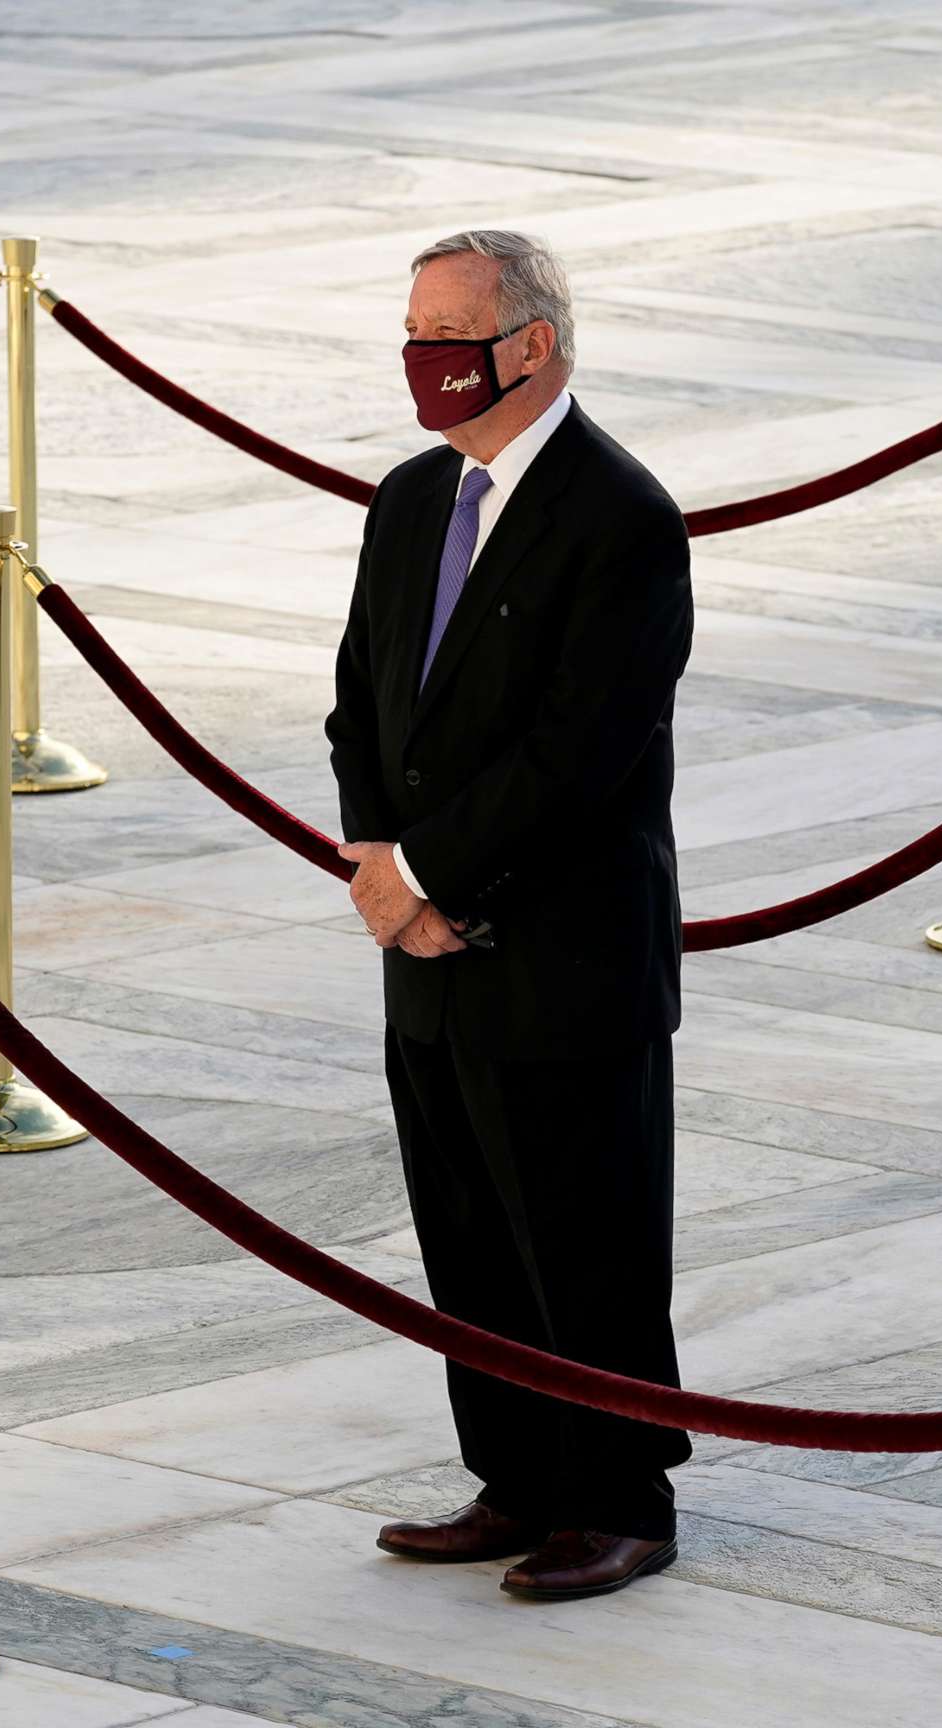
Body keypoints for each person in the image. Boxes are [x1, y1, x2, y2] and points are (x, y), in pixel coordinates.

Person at [324, 229, 694, 1601]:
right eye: (413, 328)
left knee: (584, 1232)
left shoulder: (620, 516)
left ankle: (618, 1498)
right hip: (421, 944)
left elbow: (576, 756)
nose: (424, 357)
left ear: (530, 345)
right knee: (467, 1231)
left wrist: (422, 880)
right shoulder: (414, 497)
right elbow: (362, 694)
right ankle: (515, 1480)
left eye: (450, 331)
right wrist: (380, 864)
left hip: (562, 948)